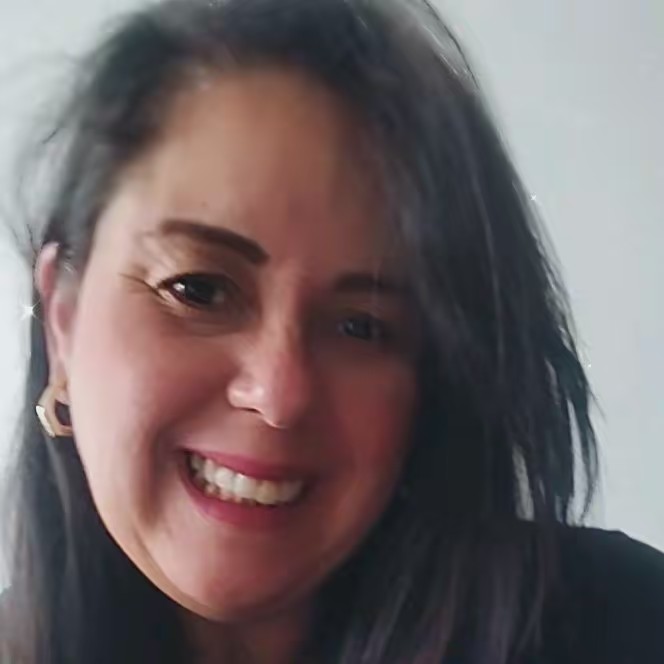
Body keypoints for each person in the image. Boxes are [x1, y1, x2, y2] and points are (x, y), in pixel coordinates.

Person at [1, 0, 663, 662]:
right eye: (198, 289)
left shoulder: (626, 624)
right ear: (62, 319)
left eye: (361, 326)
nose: (279, 393)